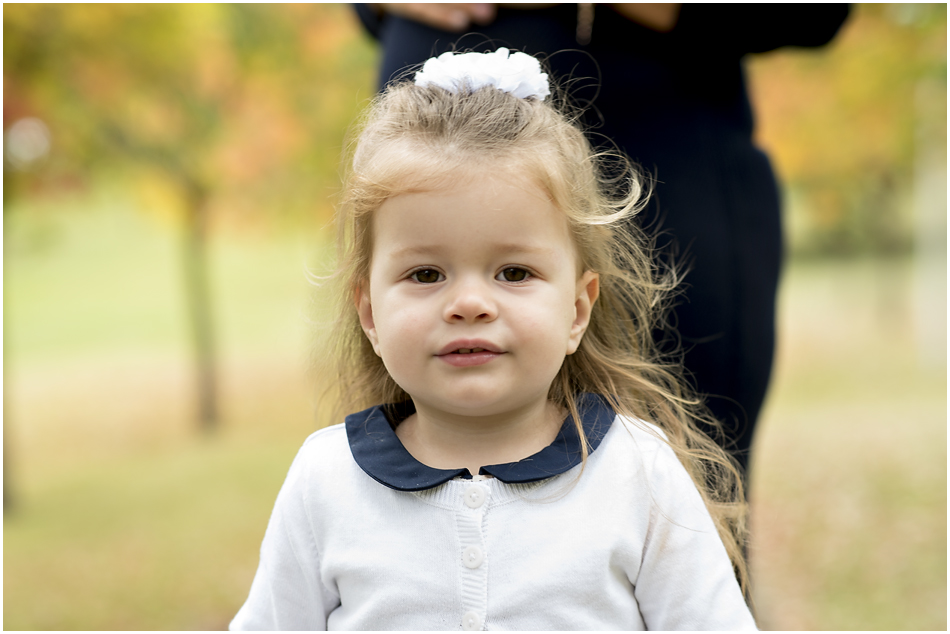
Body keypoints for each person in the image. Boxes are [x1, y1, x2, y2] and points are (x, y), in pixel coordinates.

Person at [231, 49, 755, 631]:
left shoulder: (637, 474)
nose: (470, 304)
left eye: (514, 273)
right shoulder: (327, 481)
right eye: (426, 275)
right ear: (370, 313)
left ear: (577, 309)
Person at [353, 3, 851, 475]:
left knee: (687, 489)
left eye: (513, 273)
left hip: (668, 162)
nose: (470, 304)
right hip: (424, 161)